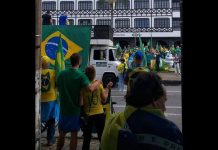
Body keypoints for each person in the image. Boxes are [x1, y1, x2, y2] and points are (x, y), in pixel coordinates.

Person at [100, 72, 183, 150]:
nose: (165, 108)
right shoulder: (170, 131)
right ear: (154, 100)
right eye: (164, 101)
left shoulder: (112, 123)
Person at [56, 53, 102, 150]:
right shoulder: (81, 75)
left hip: (63, 110)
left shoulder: (61, 74)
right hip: (75, 111)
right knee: (74, 135)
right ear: (79, 62)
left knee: (62, 133)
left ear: (71, 61)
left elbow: (57, 87)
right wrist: (99, 82)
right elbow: (90, 88)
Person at [81, 65, 113, 150]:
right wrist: (108, 88)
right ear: (94, 74)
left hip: (87, 115)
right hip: (99, 113)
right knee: (101, 136)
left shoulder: (83, 86)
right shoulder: (99, 85)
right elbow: (104, 99)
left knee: (86, 138)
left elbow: (81, 103)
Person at [41, 56, 57, 146]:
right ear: (48, 63)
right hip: (51, 99)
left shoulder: (38, 72)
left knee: (41, 119)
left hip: (40, 99)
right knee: (52, 119)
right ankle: (50, 139)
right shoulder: (53, 72)